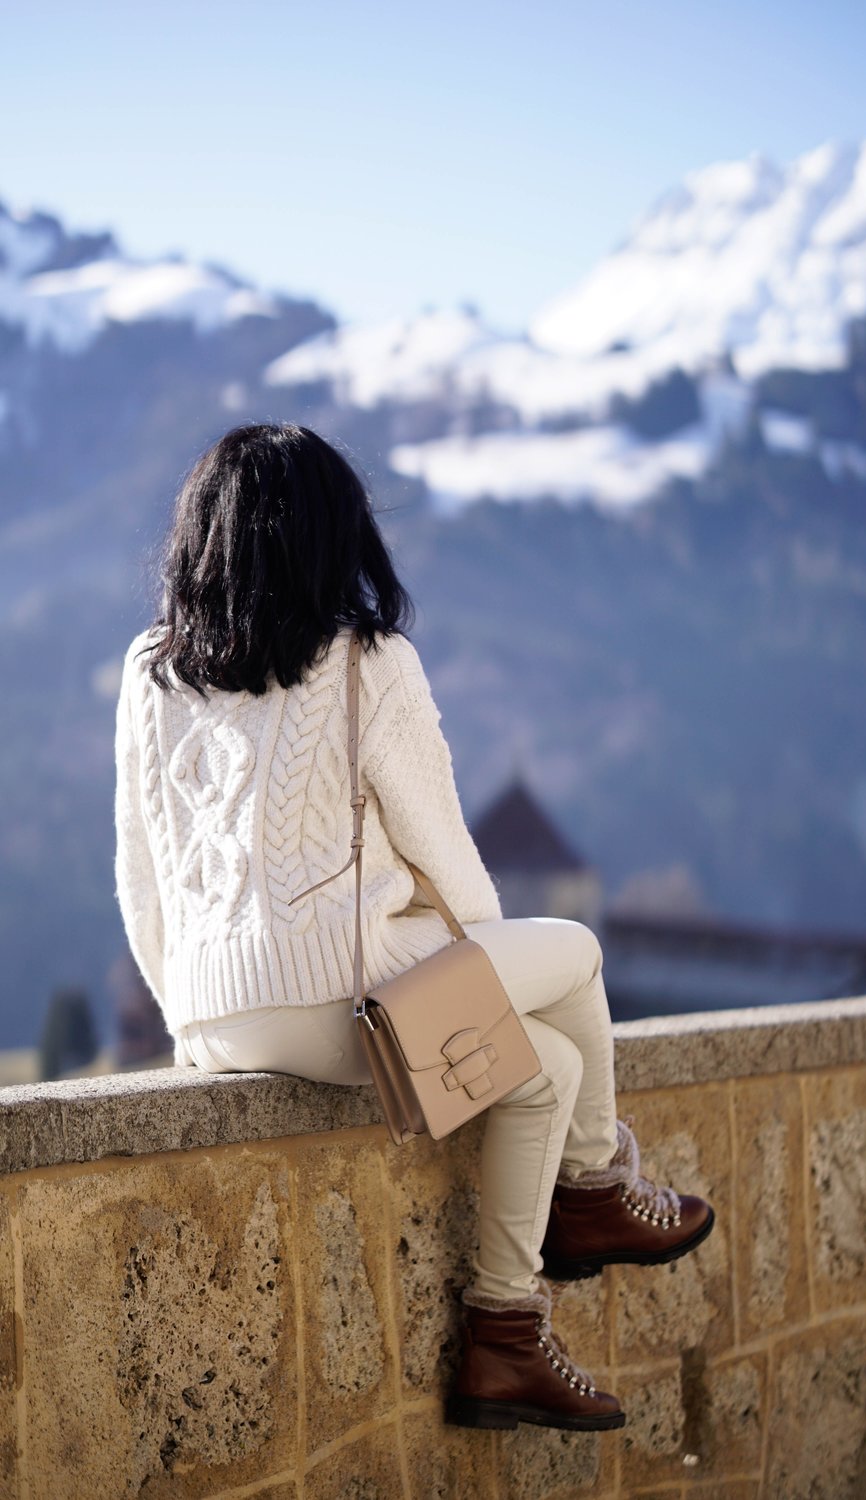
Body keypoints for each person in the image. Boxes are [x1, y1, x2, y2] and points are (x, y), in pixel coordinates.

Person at [113, 422, 715, 1434]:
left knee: (546, 1073)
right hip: (350, 1012)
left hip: (215, 1023)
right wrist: (474, 966)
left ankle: (505, 1339)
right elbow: (448, 857)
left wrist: (188, 1017)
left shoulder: (149, 670)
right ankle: (598, 1183)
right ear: (329, 535)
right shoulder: (367, 662)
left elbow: (141, 870)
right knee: (573, 954)